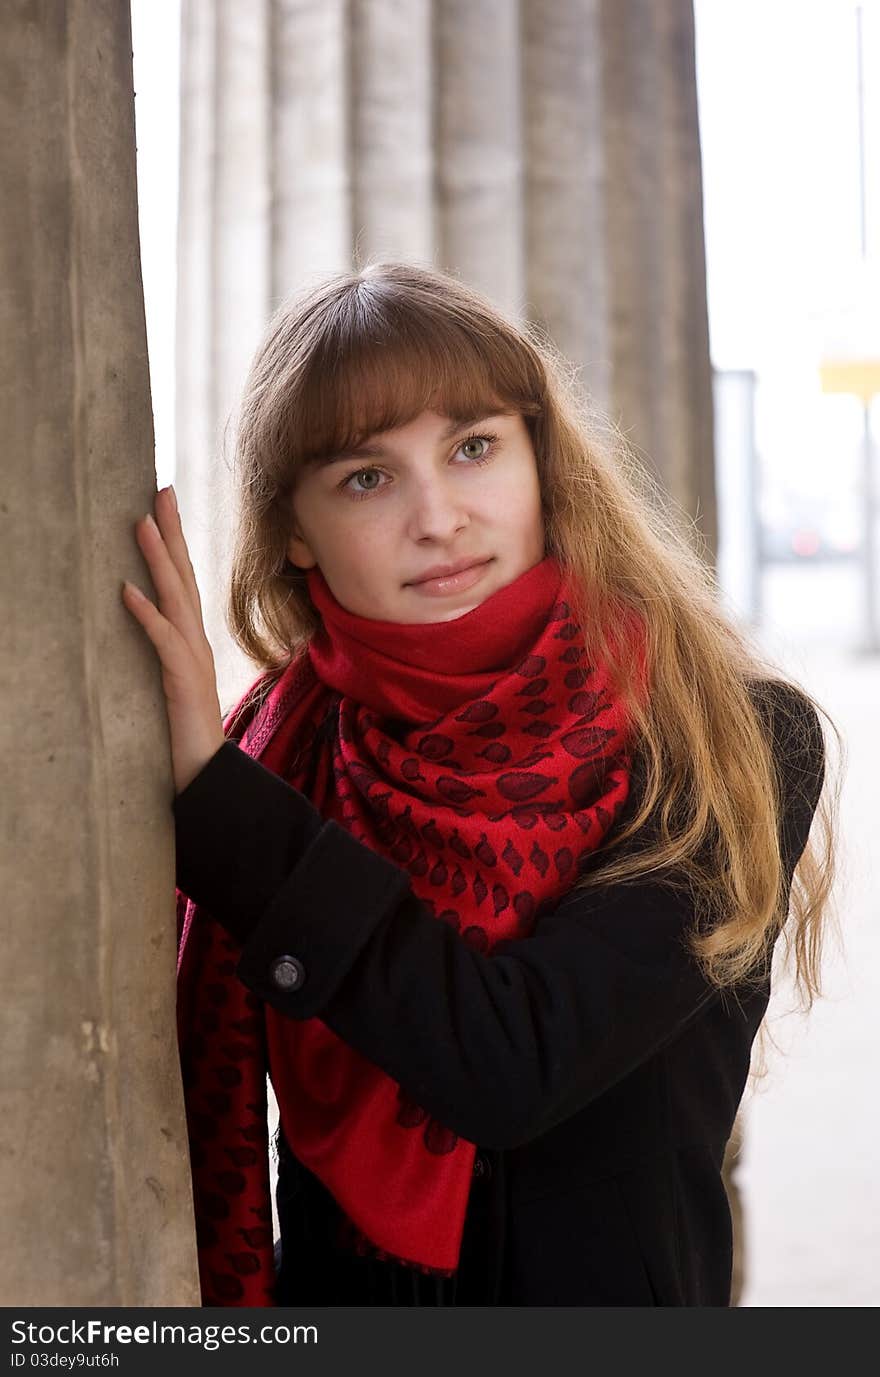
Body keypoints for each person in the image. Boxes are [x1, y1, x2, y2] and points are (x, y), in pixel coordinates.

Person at [122, 260, 838, 1307]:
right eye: (367, 477)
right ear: (292, 531)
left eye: (472, 449)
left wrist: (219, 803)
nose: (439, 516)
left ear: (541, 462)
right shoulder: (281, 756)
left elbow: (512, 1064)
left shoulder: (728, 737)